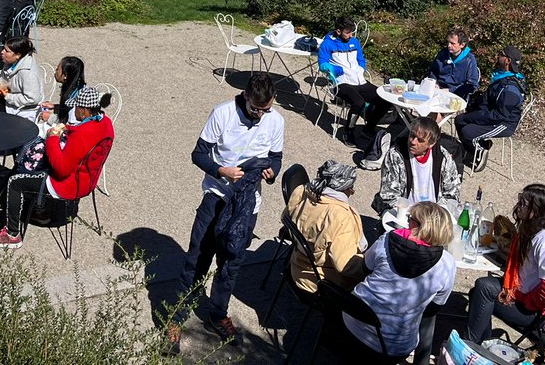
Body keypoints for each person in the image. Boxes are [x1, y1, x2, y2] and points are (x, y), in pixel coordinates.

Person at [168, 73, 284, 346]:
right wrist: (221, 171)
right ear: (245, 96)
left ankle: (217, 314)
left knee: (231, 264)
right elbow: (198, 154)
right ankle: (176, 317)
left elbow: (277, 158)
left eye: (265, 109)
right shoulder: (223, 113)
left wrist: (272, 172)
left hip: (247, 206)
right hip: (216, 197)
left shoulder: (276, 120)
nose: (259, 115)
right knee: (197, 259)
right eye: (255, 109)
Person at [0, 85, 114, 248]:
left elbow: (61, 169)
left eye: (76, 107)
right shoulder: (106, 123)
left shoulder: (82, 134)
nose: (74, 111)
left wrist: (52, 138)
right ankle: (37, 208)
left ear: (83, 110)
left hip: (67, 185)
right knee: (35, 164)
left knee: (15, 181)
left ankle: (12, 235)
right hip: (88, 179)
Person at [342, 200, 456, 360]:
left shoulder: (387, 240)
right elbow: (432, 309)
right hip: (395, 345)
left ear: (420, 226)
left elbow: (365, 268)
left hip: (353, 321)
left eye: (410, 218)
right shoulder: (447, 264)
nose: (407, 221)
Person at [465, 184, 545, 345]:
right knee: (479, 291)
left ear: (537, 211)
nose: (518, 207)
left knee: (483, 289)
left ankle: (469, 348)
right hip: (529, 291)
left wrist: (520, 297)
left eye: (523, 204)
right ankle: (481, 347)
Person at [285, 160, 365, 294]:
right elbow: (345, 266)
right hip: (319, 280)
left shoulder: (301, 191)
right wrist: (369, 263)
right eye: (351, 188)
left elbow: (285, 218)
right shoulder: (340, 217)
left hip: (296, 264)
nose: (352, 192)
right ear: (347, 188)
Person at [455, 46, 529, 172]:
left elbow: (499, 115)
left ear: (507, 61)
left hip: (505, 123)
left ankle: (480, 150)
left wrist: (474, 116)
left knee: (468, 132)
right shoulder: (502, 77)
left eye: (501, 54)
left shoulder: (510, 89)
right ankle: (472, 150)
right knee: (460, 120)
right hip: (492, 114)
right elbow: (489, 100)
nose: (497, 56)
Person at [317, 16, 391, 136]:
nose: (351, 35)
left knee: (385, 99)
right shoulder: (327, 44)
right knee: (359, 102)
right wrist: (337, 70)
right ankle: (349, 132)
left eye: (352, 32)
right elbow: (323, 64)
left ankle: (368, 128)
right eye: (347, 32)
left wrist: (360, 69)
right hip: (341, 83)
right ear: (338, 31)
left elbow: (361, 60)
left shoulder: (354, 42)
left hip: (359, 80)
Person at [373, 116, 460, 216]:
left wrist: (435, 214)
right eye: (412, 135)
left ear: (431, 144)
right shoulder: (396, 155)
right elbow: (389, 195)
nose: (413, 142)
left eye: (420, 140)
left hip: (434, 214)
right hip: (404, 212)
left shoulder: (443, 158)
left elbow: (452, 194)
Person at [0, 37, 41, 117]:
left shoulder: (28, 73)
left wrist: (8, 96)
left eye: (7, 51)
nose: (2, 52)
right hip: (7, 97)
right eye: (3, 49)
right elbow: (5, 80)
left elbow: (33, 99)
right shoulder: (11, 62)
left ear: (18, 55)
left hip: (20, 109)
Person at [430, 29, 480, 99]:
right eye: (448, 42)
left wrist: (450, 90)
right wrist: (434, 82)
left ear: (462, 45)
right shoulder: (443, 53)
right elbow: (433, 71)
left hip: (456, 95)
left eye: (452, 43)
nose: (449, 45)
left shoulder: (469, 59)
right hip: (438, 91)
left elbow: (473, 85)